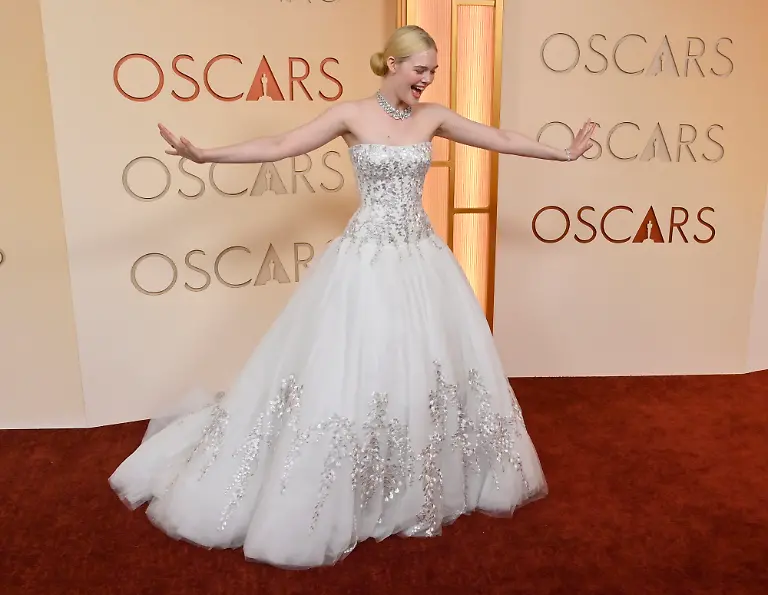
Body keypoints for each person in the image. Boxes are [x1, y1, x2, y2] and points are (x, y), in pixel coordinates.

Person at [109, 25, 595, 569]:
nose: (428, 80)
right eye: (420, 70)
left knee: (422, 365)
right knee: (357, 365)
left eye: (433, 72)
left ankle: (415, 481)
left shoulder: (432, 116)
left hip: (419, 257)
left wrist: (561, 153)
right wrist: (206, 156)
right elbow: (278, 145)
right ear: (392, 64)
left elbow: (497, 138)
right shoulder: (349, 115)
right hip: (364, 259)